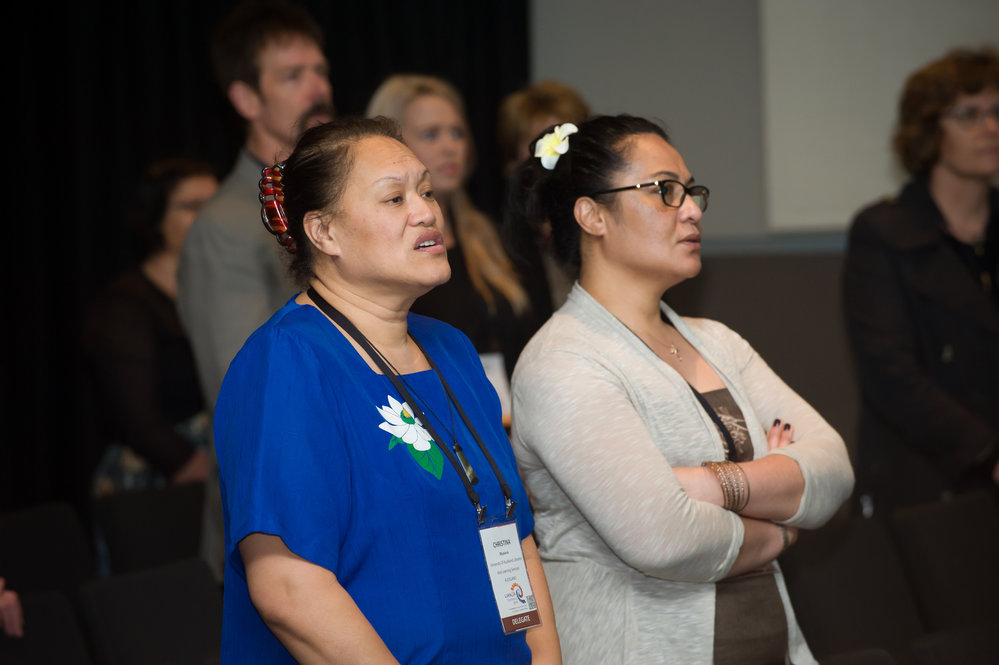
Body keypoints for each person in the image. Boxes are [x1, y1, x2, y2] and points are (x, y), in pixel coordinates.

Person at [507, 115, 854, 664]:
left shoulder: (717, 341)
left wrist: (706, 484)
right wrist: (781, 526)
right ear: (592, 215)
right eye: (665, 190)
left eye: (692, 192)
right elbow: (664, 536)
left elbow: (833, 469)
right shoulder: (563, 361)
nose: (691, 209)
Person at [214, 117, 561, 664]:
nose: (427, 211)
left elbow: (513, 532)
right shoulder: (287, 362)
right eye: (395, 198)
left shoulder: (452, 349)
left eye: (426, 191)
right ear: (324, 233)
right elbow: (288, 589)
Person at [177, 0, 334, 579]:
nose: (318, 89)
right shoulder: (223, 225)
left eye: (320, 71)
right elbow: (244, 389)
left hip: (342, 507)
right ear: (246, 100)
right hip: (273, 531)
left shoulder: (333, 202)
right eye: (293, 76)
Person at [843, 47, 999, 517]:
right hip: (928, 483)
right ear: (929, 130)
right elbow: (891, 375)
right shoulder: (883, 231)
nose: (990, 127)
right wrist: (988, 453)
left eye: (997, 111)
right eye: (968, 115)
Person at [366, 75, 538, 413]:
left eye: (457, 133)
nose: (450, 147)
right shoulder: (384, 253)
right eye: (431, 134)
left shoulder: (491, 235)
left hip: (508, 419)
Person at [84, 158, 217, 495]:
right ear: (157, 217)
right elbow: (137, 420)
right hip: (158, 482)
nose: (211, 218)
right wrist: (205, 471)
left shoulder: (220, 293)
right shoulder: (126, 304)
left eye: (216, 205)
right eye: (194, 206)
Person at [498, 80, 591, 310]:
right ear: (513, 163)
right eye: (545, 144)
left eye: (566, 141)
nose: (559, 154)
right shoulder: (498, 244)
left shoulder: (605, 231)